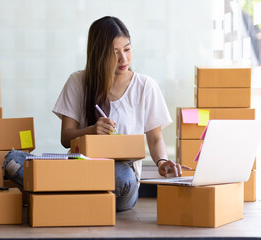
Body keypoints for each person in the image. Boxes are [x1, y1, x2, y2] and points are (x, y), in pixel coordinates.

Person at [52, 16, 191, 211]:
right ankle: (78, 198)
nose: (123, 59)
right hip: (83, 168)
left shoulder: (145, 86)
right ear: (99, 54)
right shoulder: (78, 81)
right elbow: (66, 138)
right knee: (25, 164)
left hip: (122, 178)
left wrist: (161, 161)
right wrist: (91, 130)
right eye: (114, 53)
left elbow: (155, 137)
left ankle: (70, 198)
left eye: (127, 49)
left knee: (120, 176)